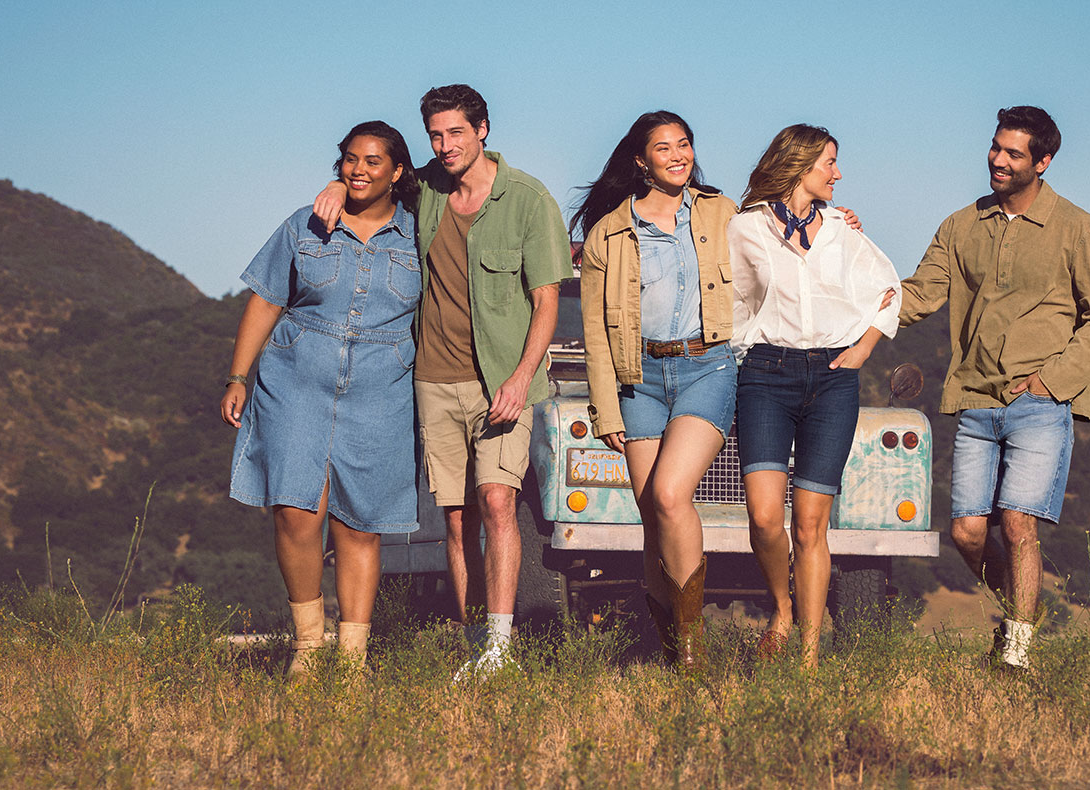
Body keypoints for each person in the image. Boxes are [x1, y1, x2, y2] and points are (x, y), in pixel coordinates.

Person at [315, 85, 572, 678]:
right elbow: (370, 177)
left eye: (456, 132)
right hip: (434, 378)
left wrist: (521, 376)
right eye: (435, 134)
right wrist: (335, 184)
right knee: (456, 518)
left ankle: (500, 651)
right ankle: (471, 644)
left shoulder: (529, 199)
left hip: (504, 382)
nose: (445, 145)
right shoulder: (426, 188)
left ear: (483, 130)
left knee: (498, 500)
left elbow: (547, 299)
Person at [897, 106, 1090, 669]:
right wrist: (841, 277)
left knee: (1020, 524)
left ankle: (1016, 653)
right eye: (996, 147)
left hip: (1041, 402)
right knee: (967, 533)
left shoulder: (1077, 227)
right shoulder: (960, 226)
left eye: (1014, 153)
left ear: (1042, 163)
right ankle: (1021, 611)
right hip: (975, 399)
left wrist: (1054, 383)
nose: (998, 160)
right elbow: (918, 295)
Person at [220, 120, 422, 676]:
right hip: (295, 380)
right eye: (350, 161)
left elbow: (457, 177)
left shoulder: (421, 233)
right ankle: (308, 648)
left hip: (382, 388)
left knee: (359, 524)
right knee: (295, 513)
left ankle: (353, 662)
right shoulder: (302, 225)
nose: (359, 170)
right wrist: (238, 376)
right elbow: (265, 300)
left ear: (398, 171)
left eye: (373, 161)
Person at [729, 124, 901, 667]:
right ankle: (781, 606)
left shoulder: (843, 233)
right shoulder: (745, 229)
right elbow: (730, 301)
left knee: (810, 524)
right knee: (762, 517)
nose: (838, 173)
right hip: (765, 375)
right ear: (800, 165)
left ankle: (807, 658)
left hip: (832, 380)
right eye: (830, 162)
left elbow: (889, 290)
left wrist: (864, 348)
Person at [573, 111, 738, 669]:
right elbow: (596, 331)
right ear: (641, 161)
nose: (678, 154)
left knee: (670, 496)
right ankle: (668, 648)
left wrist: (835, 226)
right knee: (653, 515)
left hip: (705, 367)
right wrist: (605, 409)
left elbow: (777, 245)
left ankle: (690, 651)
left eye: (685, 144)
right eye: (663, 147)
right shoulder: (609, 233)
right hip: (636, 378)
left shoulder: (719, 212)